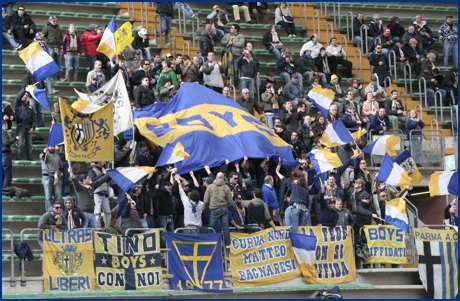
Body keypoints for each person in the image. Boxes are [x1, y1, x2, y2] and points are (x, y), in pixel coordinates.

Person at [276, 163, 310, 232]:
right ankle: (300, 239)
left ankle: (295, 240)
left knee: (294, 226)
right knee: (301, 227)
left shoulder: (294, 186)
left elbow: (284, 180)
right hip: (303, 209)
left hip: (296, 207)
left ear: (298, 182)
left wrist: (277, 172)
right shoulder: (305, 190)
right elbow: (308, 202)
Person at [202, 172, 232, 246]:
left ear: (216, 177)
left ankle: (210, 243)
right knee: (225, 227)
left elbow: (206, 200)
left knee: (211, 227)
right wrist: (227, 206)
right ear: (223, 178)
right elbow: (230, 200)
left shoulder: (210, 187)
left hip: (214, 209)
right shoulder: (226, 187)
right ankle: (227, 245)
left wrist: (203, 209)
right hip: (224, 208)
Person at [40, 146, 63, 212]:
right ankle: (49, 212)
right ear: (48, 147)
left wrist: (61, 172)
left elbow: (60, 167)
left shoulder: (57, 156)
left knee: (58, 195)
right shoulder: (45, 155)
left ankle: (56, 210)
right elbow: (41, 157)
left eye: (53, 147)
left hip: (56, 176)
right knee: (48, 196)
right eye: (51, 147)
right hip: (47, 176)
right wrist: (44, 151)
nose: (52, 148)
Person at [153, 179, 174, 247]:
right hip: (162, 216)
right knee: (163, 232)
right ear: (164, 186)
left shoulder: (169, 193)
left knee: (172, 232)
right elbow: (153, 196)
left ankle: (172, 246)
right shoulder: (160, 192)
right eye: (168, 186)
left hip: (169, 216)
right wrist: (156, 189)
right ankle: (164, 247)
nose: (170, 187)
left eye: (170, 186)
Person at [14, 90, 34, 161]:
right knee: (20, 144)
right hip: (20, 125)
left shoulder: (30, 107)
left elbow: (33, 118)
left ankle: (30, 159)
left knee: (29, 145)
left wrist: (33, 127)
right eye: (24, 95)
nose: (25, 96)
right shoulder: (18, 104)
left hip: (29, 126)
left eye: (26, 95)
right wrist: (24, 90)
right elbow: (17, 98)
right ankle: (18, 158)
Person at [43, 15, 64, 81]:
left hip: (58, 47)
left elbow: (61, 36)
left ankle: (60, 77)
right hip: (50, 47)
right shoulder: (46, 28)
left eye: (55, 21)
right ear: (50, 21)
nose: (55, 22)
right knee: (50, 62)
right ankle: (49, 77)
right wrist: (48, 41)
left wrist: (61, 42)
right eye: (53, 21)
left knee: (59, 62)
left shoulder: (59, 28)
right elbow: (43, 36)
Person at [2, 120, 19, 188]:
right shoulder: (3, 132)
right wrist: (15, 138)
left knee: (2, 175)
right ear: (3, 125)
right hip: (5, 156)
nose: (7, 126)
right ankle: (5, 191)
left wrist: (10, 149)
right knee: (8, 175)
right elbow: (6, 142)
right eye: (6, 124)